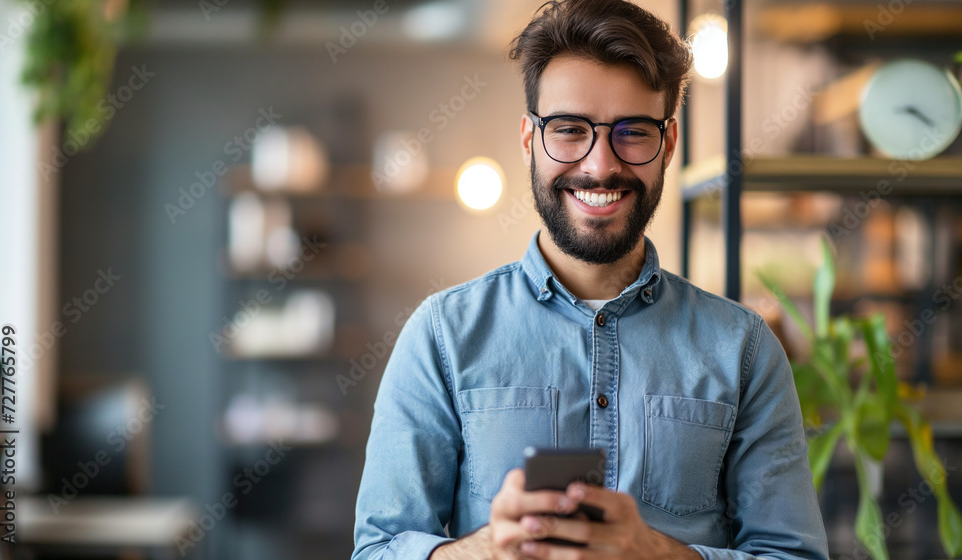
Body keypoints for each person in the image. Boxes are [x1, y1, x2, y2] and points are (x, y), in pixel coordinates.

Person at [352, 0, 829, 559]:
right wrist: (486, 550)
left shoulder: (745, 350)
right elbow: (378, 550)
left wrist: (653, 553)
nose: (601, 165)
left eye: (632, 132)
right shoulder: (440, 337)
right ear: (530, 140)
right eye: (570, 130)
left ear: (668, 144)